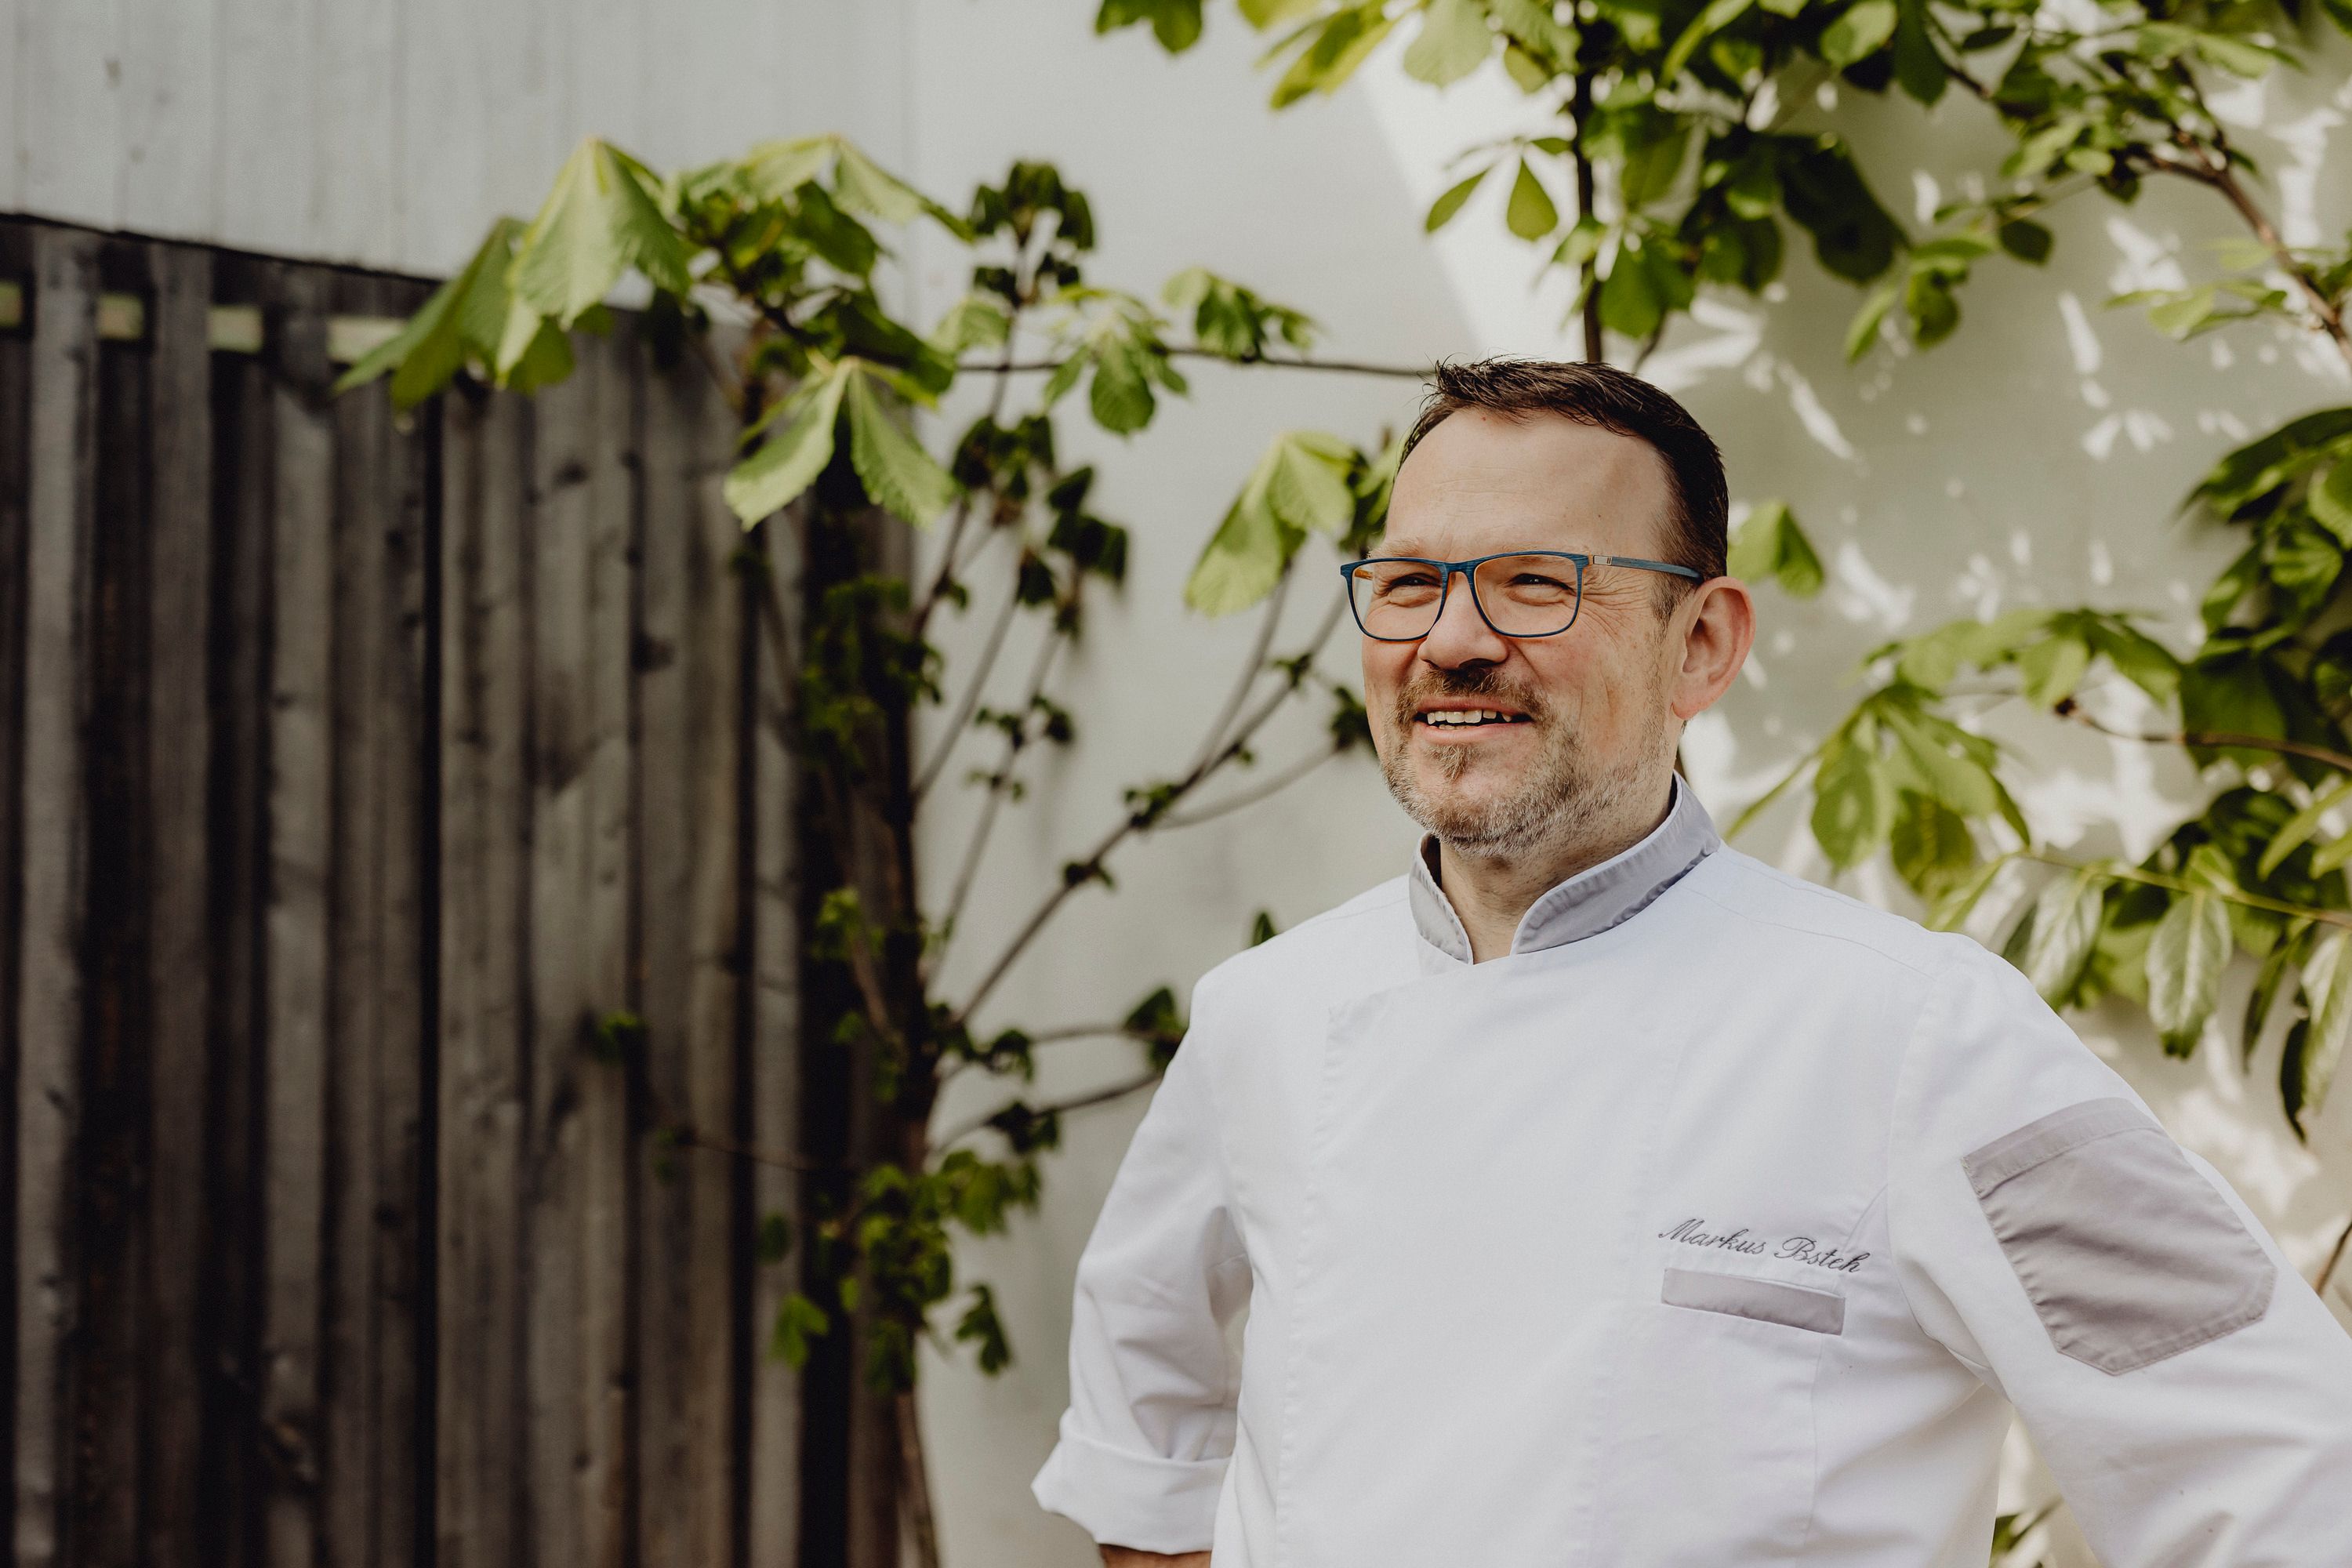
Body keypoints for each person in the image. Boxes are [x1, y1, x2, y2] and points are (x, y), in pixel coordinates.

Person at [1028, 358, 2352, 1566]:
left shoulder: (1916, 1034)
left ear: (1702, 644)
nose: (1452, 640)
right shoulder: (1270, 1014)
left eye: (1537, 582)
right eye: (1412, 582)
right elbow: (1143, 1422)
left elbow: (2279, 1463)